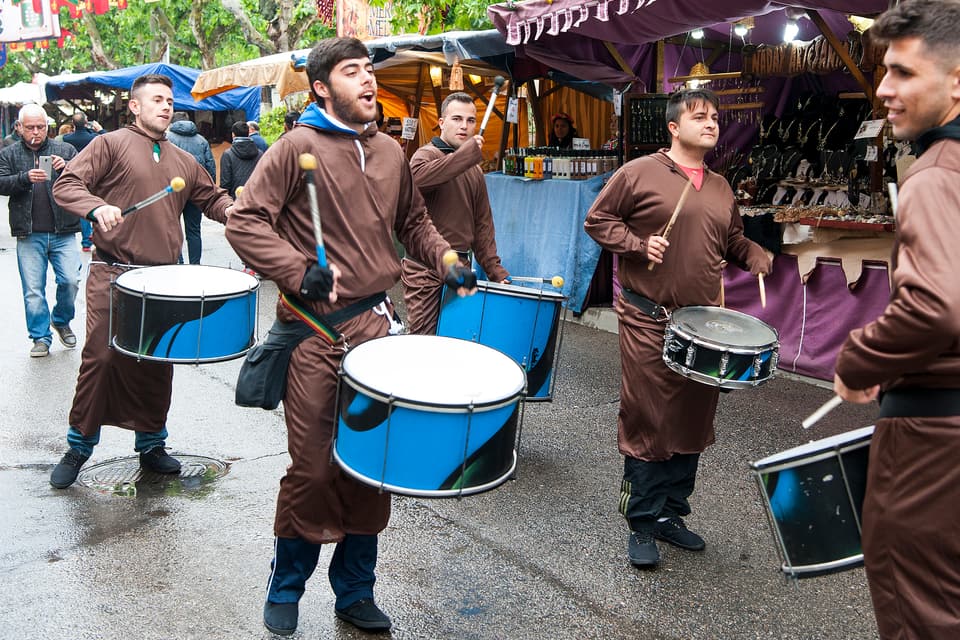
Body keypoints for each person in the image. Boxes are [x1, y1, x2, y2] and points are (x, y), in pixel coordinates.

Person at [225, 37, 474, 636]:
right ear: (321, 88)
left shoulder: (389, 151)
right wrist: (295, 270)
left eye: (369, 70)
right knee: (312, 468)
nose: (368, 80)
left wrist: (445, 258)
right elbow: (244, 221)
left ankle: (356, 590)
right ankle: (287, 585)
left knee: (369, 463)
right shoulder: (295, 148)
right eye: (352, 71)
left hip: (375, 329)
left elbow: (414, 220)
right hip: (313, 330)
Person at [584, 88, 771, 568]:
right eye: (699, 116)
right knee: (650, 418)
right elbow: (597, 220)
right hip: (649, 318)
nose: (711, 123)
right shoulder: (639, 172)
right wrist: (637, 244)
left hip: (704, 326)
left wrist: (753, 253)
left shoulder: (721, 187)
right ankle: (642, 522)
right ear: (673, 127)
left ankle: (670, 514)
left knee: (692, 418)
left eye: (715, 118)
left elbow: (731, 239)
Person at [833, 2, 960, 637]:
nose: (883, 89)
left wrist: (857, 359)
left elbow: (936, 306)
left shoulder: (935, 175)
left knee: (923, 611)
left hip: (934, 443)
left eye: (904, 72)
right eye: (884, 71)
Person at [47, 74, 234, 490]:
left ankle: (151, 444)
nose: (166, 106)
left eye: (170, 100)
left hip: (162, 278)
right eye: (157, 100)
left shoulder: (182, 159)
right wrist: (96, 208)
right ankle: (78, 446)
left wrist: (236, 210)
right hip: (113, 273)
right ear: (134, 106)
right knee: (101, 358)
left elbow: (211, 198)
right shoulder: (109, 144)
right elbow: (68, 184)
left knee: (155, 362)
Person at [402, 91, 509, 334]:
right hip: (425, 268)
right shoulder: (425, 154)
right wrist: (465, 156)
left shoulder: (474, 170)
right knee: (424, 341)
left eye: (470, 120)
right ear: (441, 122)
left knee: (456, 340)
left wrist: (495, 271)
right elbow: (416, 181)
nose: (464, 126)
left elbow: (482, 226)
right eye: (457, 119)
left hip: (460, 267)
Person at [0, 103, 80, 358]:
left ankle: (61, 320)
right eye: (30, 127)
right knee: (33, 291)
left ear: (48, 127)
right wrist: (24, 178)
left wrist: (66, 168)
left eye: (40, 127)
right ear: (19, 128)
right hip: (29, 232)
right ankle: (40, 337)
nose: (36, 132)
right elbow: (1, 183)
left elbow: (85, 179)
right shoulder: (9, 153)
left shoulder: (65, 150)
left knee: (70, 281)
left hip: (63, 230)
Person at [167, 111, 216, 264]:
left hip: (174, 190)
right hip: (196, 190)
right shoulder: (201, 140)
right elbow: (210, 165)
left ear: (172, 122)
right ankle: (195, 265)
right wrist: (209, 188)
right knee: (194, 230)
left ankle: (178, 262)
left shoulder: (167, 139)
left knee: (173, 227)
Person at [63, 112, 105, 253]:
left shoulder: (66, 138)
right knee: (97, 203)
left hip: (77, 174)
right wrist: (99, 130)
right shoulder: (94, 137)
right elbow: (108, 139)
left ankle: (86, 241)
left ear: (73, 124)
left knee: (84, 206)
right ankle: (97, 234)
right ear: (86, 122)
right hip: (95, 174)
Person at [220, 120, 263, 199]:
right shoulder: (260, 154)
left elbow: (225, 183)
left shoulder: (228, 154)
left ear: (233, 135)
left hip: (235, 200)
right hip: (255, 198)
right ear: (248, 133)